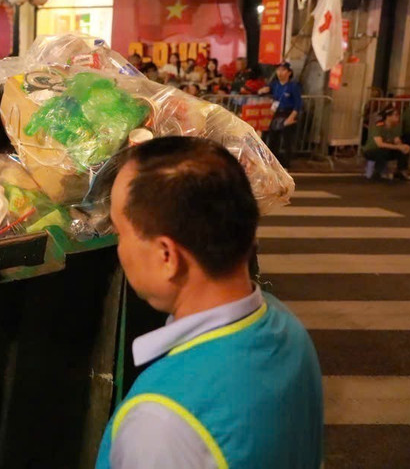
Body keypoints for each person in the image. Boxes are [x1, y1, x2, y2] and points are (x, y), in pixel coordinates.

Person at [97, 136, 323, 469]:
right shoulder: (288, 328)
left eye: (120, 232)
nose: (119, 249)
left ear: (166, 256)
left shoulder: (159, 425)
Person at [258, 62, 302, 168]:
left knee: (287, 141)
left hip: (288, 113)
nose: (280, 73)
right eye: (278, 70)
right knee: (273, 139)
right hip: (276, 114)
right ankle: (274, 163)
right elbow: (264, 90)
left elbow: (298, 104)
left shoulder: (293, 86)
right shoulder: (275, 84)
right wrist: (262, 90)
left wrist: (291, 118)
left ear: (289, 73)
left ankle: (286, 165)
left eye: (283, 70)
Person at [365, 107, 410, 179]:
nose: (398, 117)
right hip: (372, 150)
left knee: (404, 149)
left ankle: (401, 170)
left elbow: (397, 140)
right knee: (381, 152)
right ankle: (379, 171)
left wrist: (402, 146)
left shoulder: (395, 127)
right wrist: (398, 147)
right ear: (388, 116)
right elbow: (380, 144)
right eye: (395, 115)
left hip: (386, 150)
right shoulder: (378, 126)